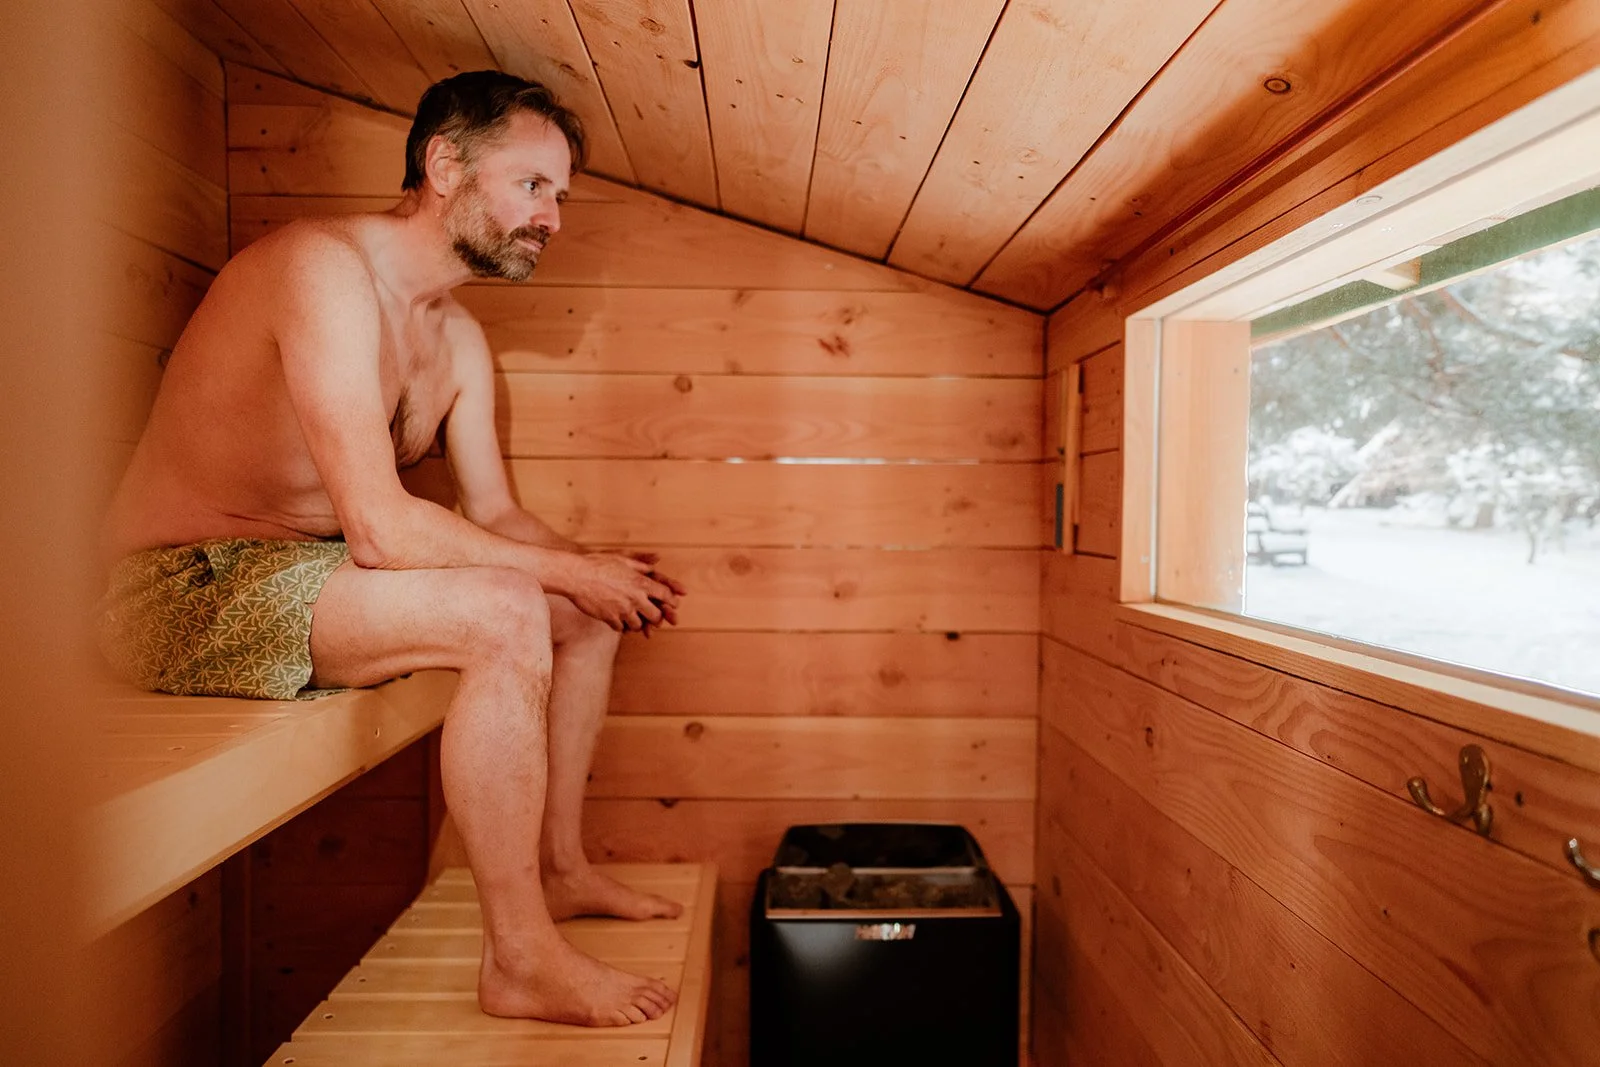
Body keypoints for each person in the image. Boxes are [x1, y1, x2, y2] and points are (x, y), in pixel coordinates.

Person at [97, 70, 684, 1027]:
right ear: (443, 165)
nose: (551, 217)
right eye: (532, 185)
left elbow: (496, 515)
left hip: (305, 578)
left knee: (580, 614)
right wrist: (568, 571)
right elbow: (378, 525)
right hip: (178, 589)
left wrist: (601, 576)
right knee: (508, 608)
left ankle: (561, 867)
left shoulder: (457, 341)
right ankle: (521, 957)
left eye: (560, 196)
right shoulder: (321, 269)